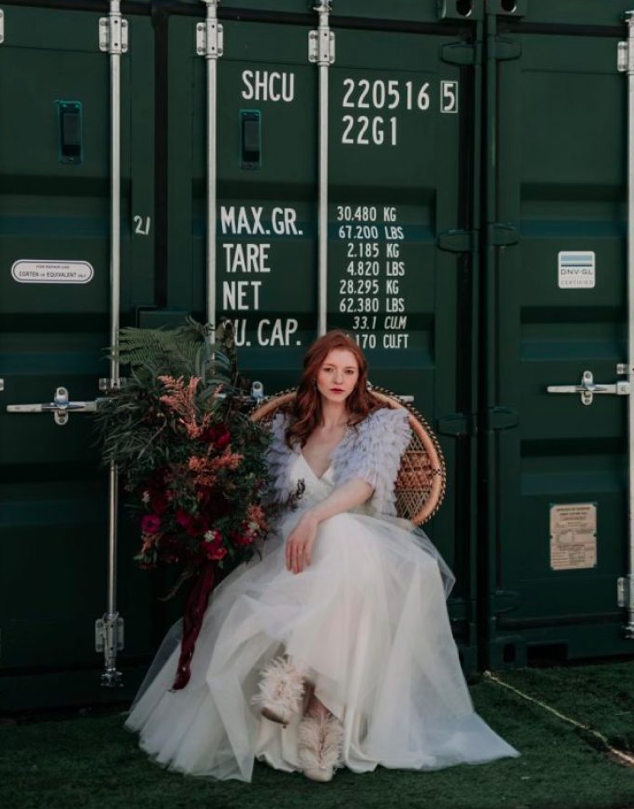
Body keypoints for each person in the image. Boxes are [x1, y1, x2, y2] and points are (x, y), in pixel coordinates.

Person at [123, 329, 520, 782]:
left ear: (360, 377)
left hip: (371, 548)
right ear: (314, 373)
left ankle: (297, 679)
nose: (339, 379)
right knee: (325, 551)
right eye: (330, 369)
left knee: (342, 529)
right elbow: (271, 505)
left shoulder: (381, 424)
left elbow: (364, 485)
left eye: (349, 371)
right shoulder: (285, 428)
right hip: (294, 553)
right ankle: (318, 716)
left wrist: (315, 520)